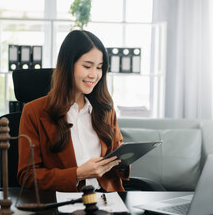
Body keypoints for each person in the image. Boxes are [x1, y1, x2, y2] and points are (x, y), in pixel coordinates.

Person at [17, 30, 130, 192]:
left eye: (99, 67)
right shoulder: (33, 112)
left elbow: (115, 165)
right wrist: (77, 174)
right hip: (62, 203)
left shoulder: (105, 108)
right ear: (68, 65)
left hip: (107, 202)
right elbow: (27, 176)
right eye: (87, 66)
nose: (94, 75)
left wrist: (124, 158)